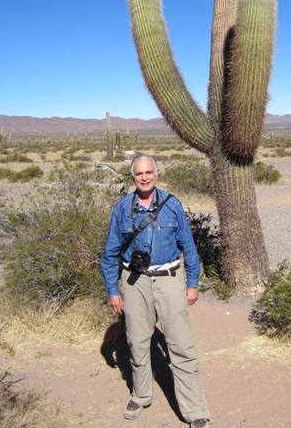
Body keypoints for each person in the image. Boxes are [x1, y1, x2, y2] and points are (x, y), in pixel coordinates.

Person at [101, 155, 211, 427]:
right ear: (133, 177)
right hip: (134, 282)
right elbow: (109, 253)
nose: (145, 177)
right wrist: (113, 290)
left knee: (180, 344)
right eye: (139, 173)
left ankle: (194, 409)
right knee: (137, 342)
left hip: (169, 279)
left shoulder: (172, 205)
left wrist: (193, 283)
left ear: (157, 174)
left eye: (149, 172)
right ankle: (141, 394)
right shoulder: (122, 209)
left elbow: (189, 246)